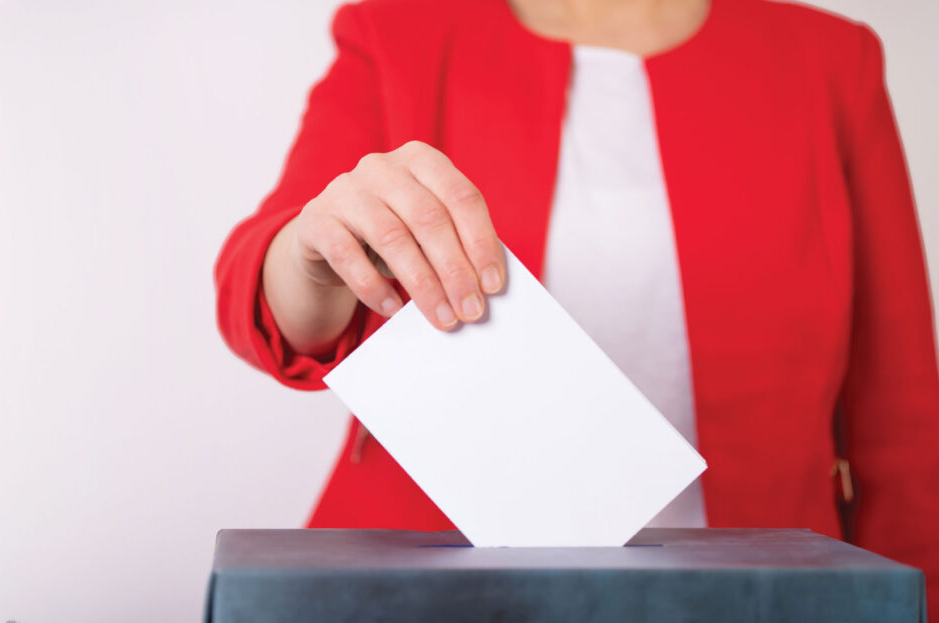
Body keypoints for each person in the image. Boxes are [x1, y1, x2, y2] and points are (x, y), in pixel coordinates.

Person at [215, 0, 939, 614]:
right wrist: (313, 248)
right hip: (426, 591)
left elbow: (902, 423)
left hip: (763, 597)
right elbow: (271, 294)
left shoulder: (830, 61)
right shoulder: (398, 31)